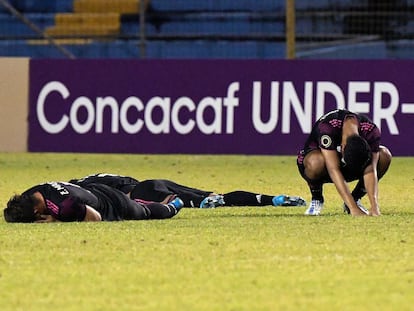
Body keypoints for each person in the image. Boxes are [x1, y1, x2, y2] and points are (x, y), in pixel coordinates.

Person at [297, 109, 392, 216]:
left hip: (348, 168)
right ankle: (317, 198)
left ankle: (356, 198)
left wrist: (374, 207)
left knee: (384, 155)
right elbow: (333, 170)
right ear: (342, 147)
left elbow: (371, 168)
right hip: (322, 166)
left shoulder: (370, 130)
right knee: (316, 162)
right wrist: (354, 209)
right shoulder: (328, 127)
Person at [68, 173, 307, 209]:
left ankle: (272, 200)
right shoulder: (103, 175)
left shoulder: (86, 187)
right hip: (155, 182)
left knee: (208, 204)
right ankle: (271, 199)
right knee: (218, 198)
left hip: (145, 191)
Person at [3, 181, 183, 223]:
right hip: (92, 189)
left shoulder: (64, 207)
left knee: (144, 213)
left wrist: (57, 220)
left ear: (36, 213)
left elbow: (95, 218)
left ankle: (174, 205)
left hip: (112, 203)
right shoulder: (31, 193)